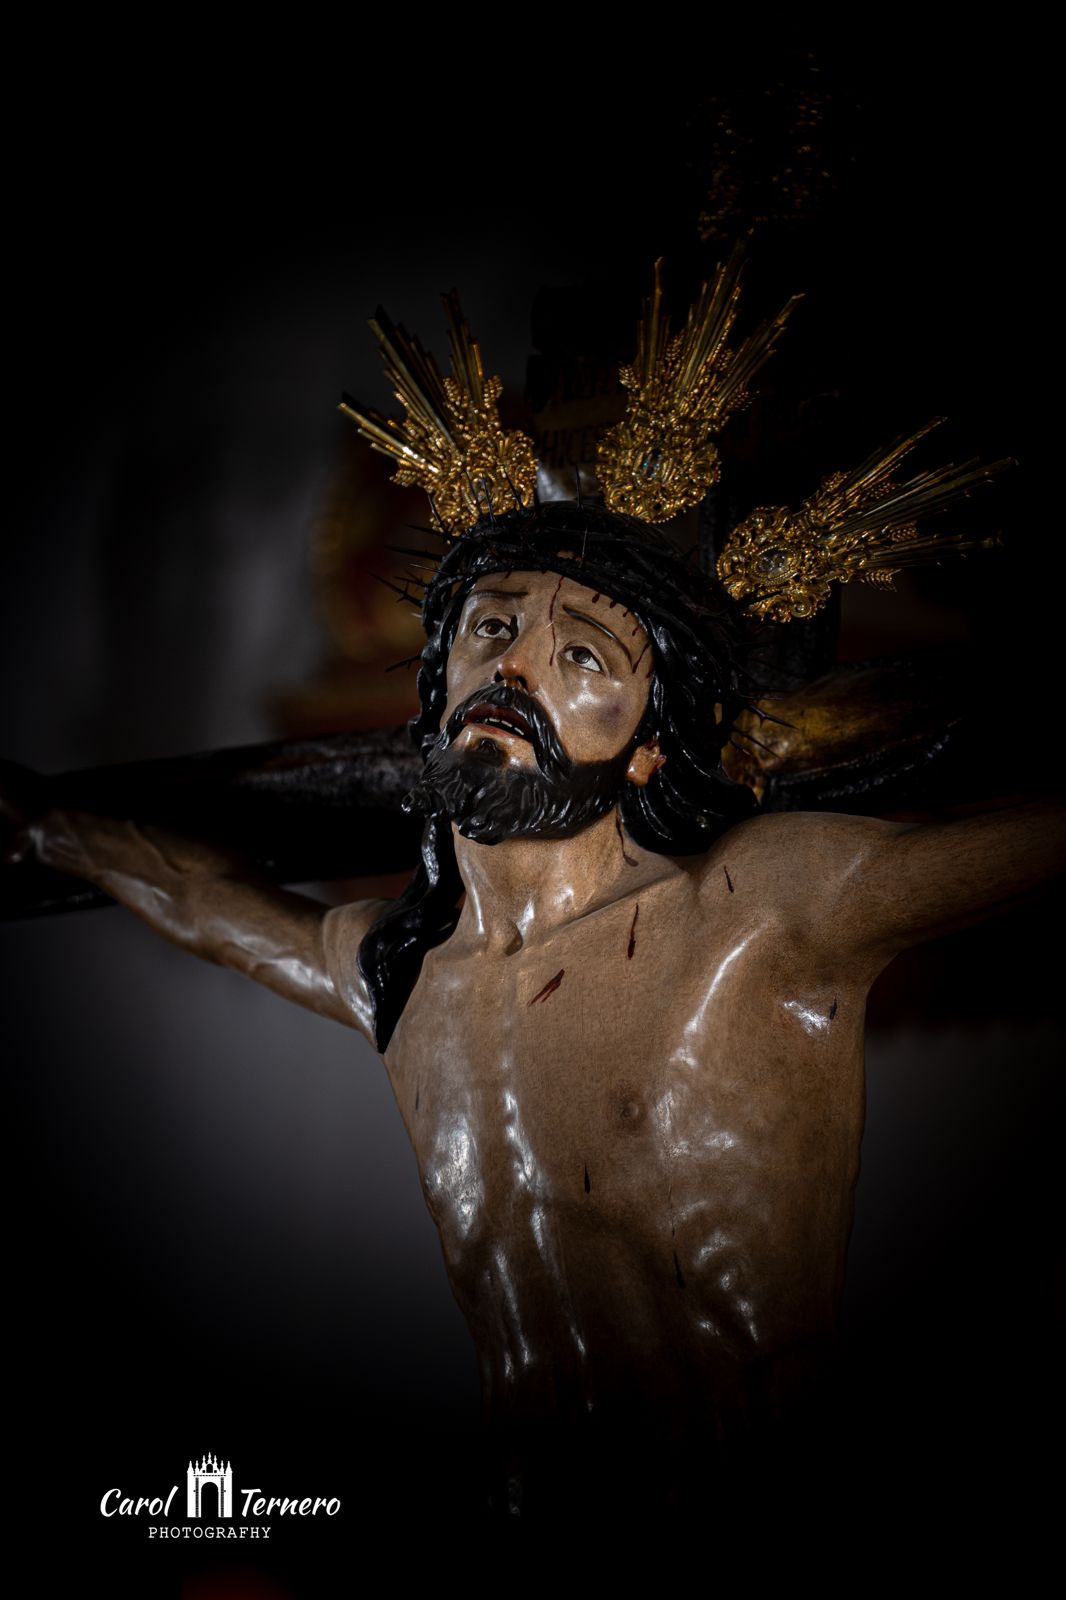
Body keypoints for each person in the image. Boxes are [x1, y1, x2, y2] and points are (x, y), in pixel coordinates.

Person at [4, 496, 1061, 1524]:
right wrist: (44, 829)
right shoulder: (401, 974)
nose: (514, 667)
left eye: (584, 655)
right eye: (492, 629)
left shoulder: (755, 910)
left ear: (648, 744)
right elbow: (206, 903)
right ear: (439, 684)